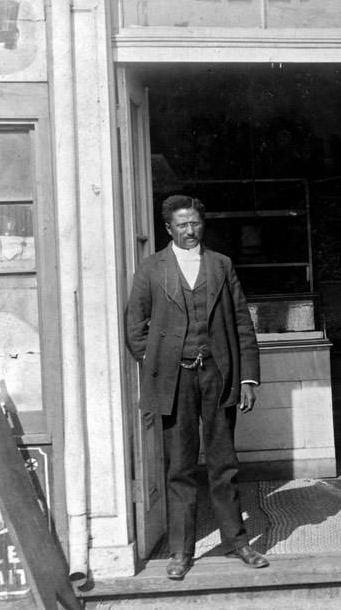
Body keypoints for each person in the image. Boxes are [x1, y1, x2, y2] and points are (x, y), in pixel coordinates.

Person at [125, 195, 269, 580]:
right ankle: (180, 551)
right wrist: (156, 364)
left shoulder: (221, 265)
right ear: (168, 229)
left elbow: (242, 324)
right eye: (182, 225)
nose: (190, 231)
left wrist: (247, 377)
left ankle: (237, 542)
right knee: (180, 468)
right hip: (175, 382)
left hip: (217, 377)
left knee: (223, 464)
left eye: (195, 223)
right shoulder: (151, 268)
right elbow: (134, 326)